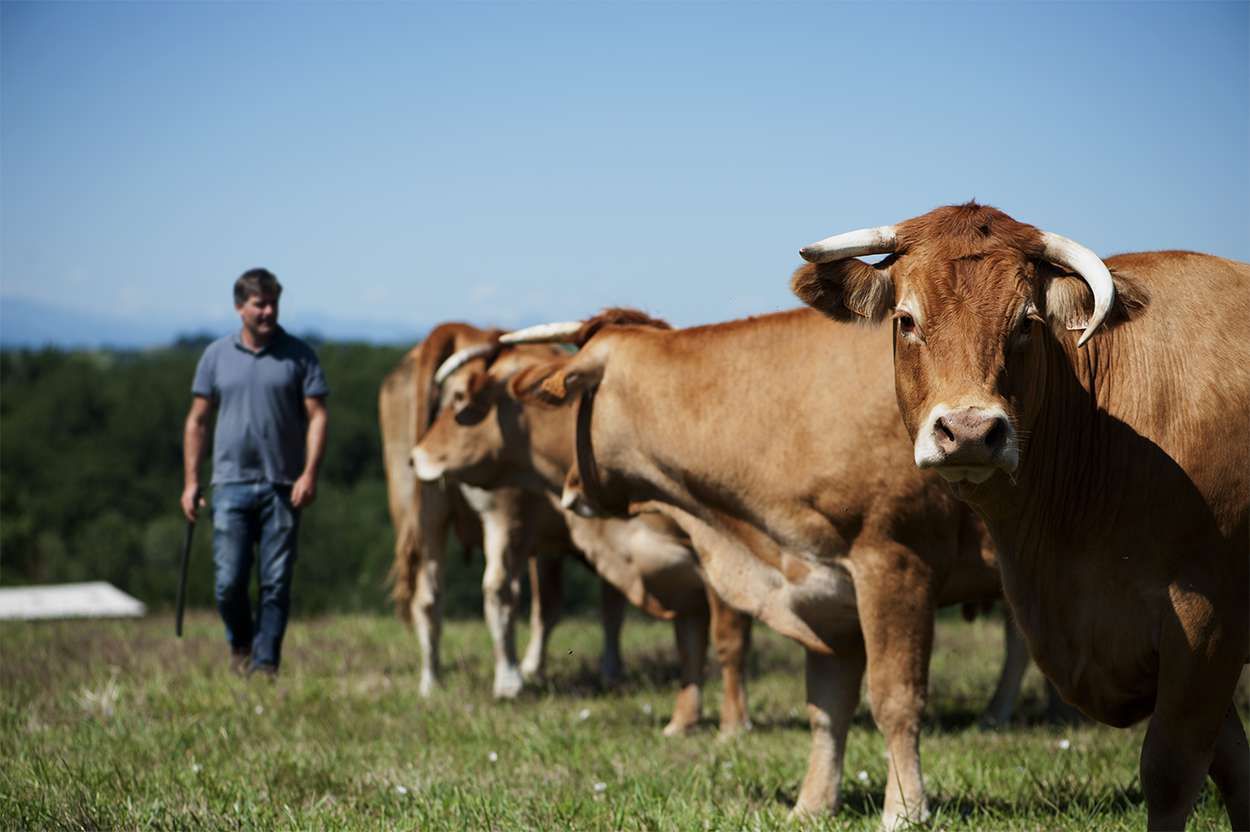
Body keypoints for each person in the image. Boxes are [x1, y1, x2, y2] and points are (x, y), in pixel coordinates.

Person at [181, 268, 329, 677]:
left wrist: (309, 474)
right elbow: (197, 421)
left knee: (276, 583)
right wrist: (191, 482)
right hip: (229, 484)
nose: (267, 312)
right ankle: (241, 645)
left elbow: (318, 417)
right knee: (228, 583)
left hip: (283, 485)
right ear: (239, 307)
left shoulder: (300, 355)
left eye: (272, 304)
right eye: (259, 304)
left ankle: (265, 666)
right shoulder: (215, 356)